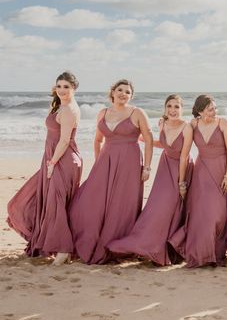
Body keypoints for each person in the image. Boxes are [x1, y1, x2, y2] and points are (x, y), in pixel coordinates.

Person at [69, 79, 153, 264]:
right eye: (120, 90)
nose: (124, 94)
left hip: (130, 162)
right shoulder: (102, 113)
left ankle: (116, 245)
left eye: (128, 92)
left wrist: (147, 167)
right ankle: (87, 239)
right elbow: (98, 140)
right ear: (112, 92)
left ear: (131, 96)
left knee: (122, 203)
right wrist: (99, 161)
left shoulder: (137, 112)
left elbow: (148, 139)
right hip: (105, 161)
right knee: (90, 201)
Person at [107, 95, 193, 265]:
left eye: (177, 106)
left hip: (181, 169)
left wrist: (182, 183)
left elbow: (183, 156)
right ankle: (149, 246)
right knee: (157, 207)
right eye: (169, 106)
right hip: (164, 167)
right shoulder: (162, 123)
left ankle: (167, 248)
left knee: (173, 206)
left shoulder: (187, 127)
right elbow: (165, 144)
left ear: (182, 109)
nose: (173, 110)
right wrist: (144, 140)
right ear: (165, 108)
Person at [7, 72, 82, 265]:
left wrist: (52, 163)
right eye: (59, 86)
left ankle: (64, 249)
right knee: (44, 201)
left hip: (62, 161)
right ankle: (52, 244)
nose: (62, 90)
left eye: (66, 86)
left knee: (55, 204)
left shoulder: (69, 110)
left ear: (74, 88)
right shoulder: (62, 107)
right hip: (53, 159)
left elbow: (65, 140)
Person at [169, 94, 227, 267]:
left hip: (221, 170)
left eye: (215, 108)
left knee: (217, 214)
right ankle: (201, 254)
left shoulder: (223, 124)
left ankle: (216, 251)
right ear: (199, 111)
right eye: (210, 109)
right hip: (201, 171)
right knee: (200, 213)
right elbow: (180, 139)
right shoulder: (193, 125)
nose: (214, 112)